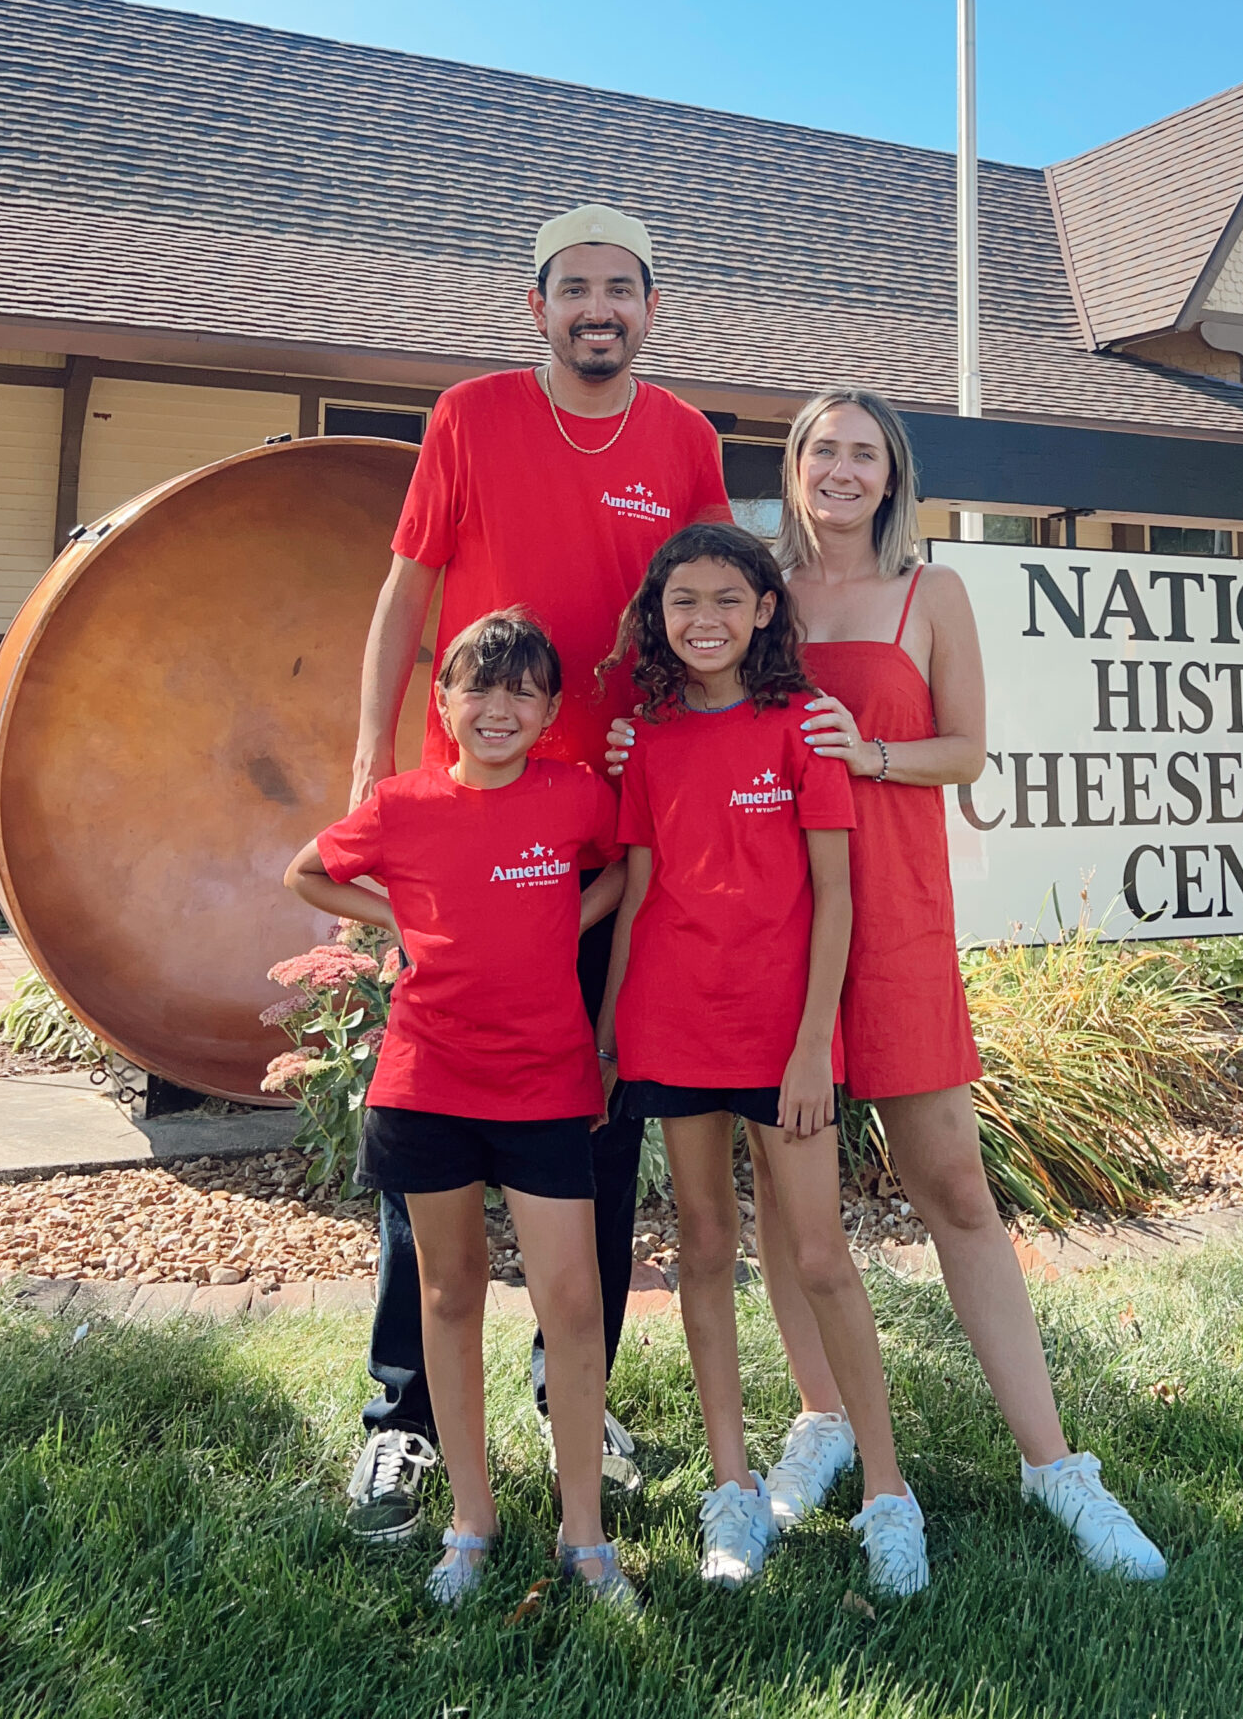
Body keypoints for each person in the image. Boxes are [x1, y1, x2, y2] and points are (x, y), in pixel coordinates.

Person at [609, 393, 1167, 1582]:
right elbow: (685, 710)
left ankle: (1055, 1462)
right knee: (783, 1199)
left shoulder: (934, 593)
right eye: (823, 450)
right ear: (794, 469)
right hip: (761, 933)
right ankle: (823, 1418)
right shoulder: (755, 596)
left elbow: (967, 750)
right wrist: (629, 746)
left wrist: (873, 754)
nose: (842, 469)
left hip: (893, 917)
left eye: (865, 451)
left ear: (892, 473)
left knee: (955, 1185)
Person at [342, 203, 732, 1545]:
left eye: (621, 288)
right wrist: (366, 765)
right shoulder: (469, 417)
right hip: (471, 829)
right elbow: (407, 594)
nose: (597, 309)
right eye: (574, 289)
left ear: (652, 308)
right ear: (536, 308)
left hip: (611, 834)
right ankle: (403, 1419)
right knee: (432, 1111)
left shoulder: (683, 440)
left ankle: (583, 1392)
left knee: (597, 1122)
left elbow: (715, 604)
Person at [596, 523, 930, 1600]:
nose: (705, 620)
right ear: (659, 615)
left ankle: (887, 1489)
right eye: (683, 601)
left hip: (783, 1041)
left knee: (823, 1254)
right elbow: (640, 896)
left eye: (727, 600)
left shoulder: (801, 730)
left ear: (764, 610)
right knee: (701, 1243)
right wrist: (605, 1040)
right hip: (670, 1028)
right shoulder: (643, 738)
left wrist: (808, 1049)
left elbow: (837, 897)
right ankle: (732, 1488)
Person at [285, 611, 637, 1612]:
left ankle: (583, 1532)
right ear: (442, 705)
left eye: (523, 690)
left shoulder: (574, 794)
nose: (500, 707)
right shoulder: (401, 806)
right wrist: (398, 916)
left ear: (552, 710)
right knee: (449, 1293)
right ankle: (471, 1518)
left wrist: (569, 916)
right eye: (478, 688)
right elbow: (305, 870)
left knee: (569, 1300)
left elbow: (630, 860)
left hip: (544, 1080)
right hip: (427, 1078)